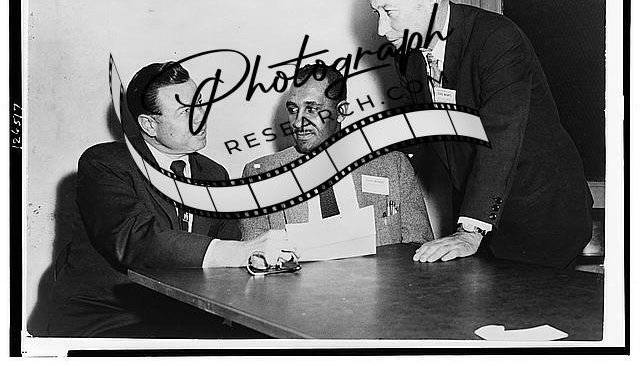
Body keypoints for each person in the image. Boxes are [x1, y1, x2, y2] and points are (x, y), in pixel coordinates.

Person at [368, 0, 593, 268]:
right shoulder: (407, 55)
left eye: (390, 12)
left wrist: (470, 230)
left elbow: (500, 136)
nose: (382, 29)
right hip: (477, 212)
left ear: (432, 0)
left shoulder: (497, 39)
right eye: (377, 13)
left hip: (541, 211)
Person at [47, 61, 291, 337]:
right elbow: (135, 240)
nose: (201, 117)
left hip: (184, 319)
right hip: (110, 320)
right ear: (149, 125)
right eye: (186, 111)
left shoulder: (214, 174)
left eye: (200, 104)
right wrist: (238, 252)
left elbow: (230, 250)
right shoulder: (105, 163)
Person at [241, 64, 434, 248]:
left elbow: (417, 247)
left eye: (311, 109)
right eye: (293, 110)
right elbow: (255, 257)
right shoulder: (261, 176)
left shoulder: (393, 166)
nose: (298, 122)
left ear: (341, 111)